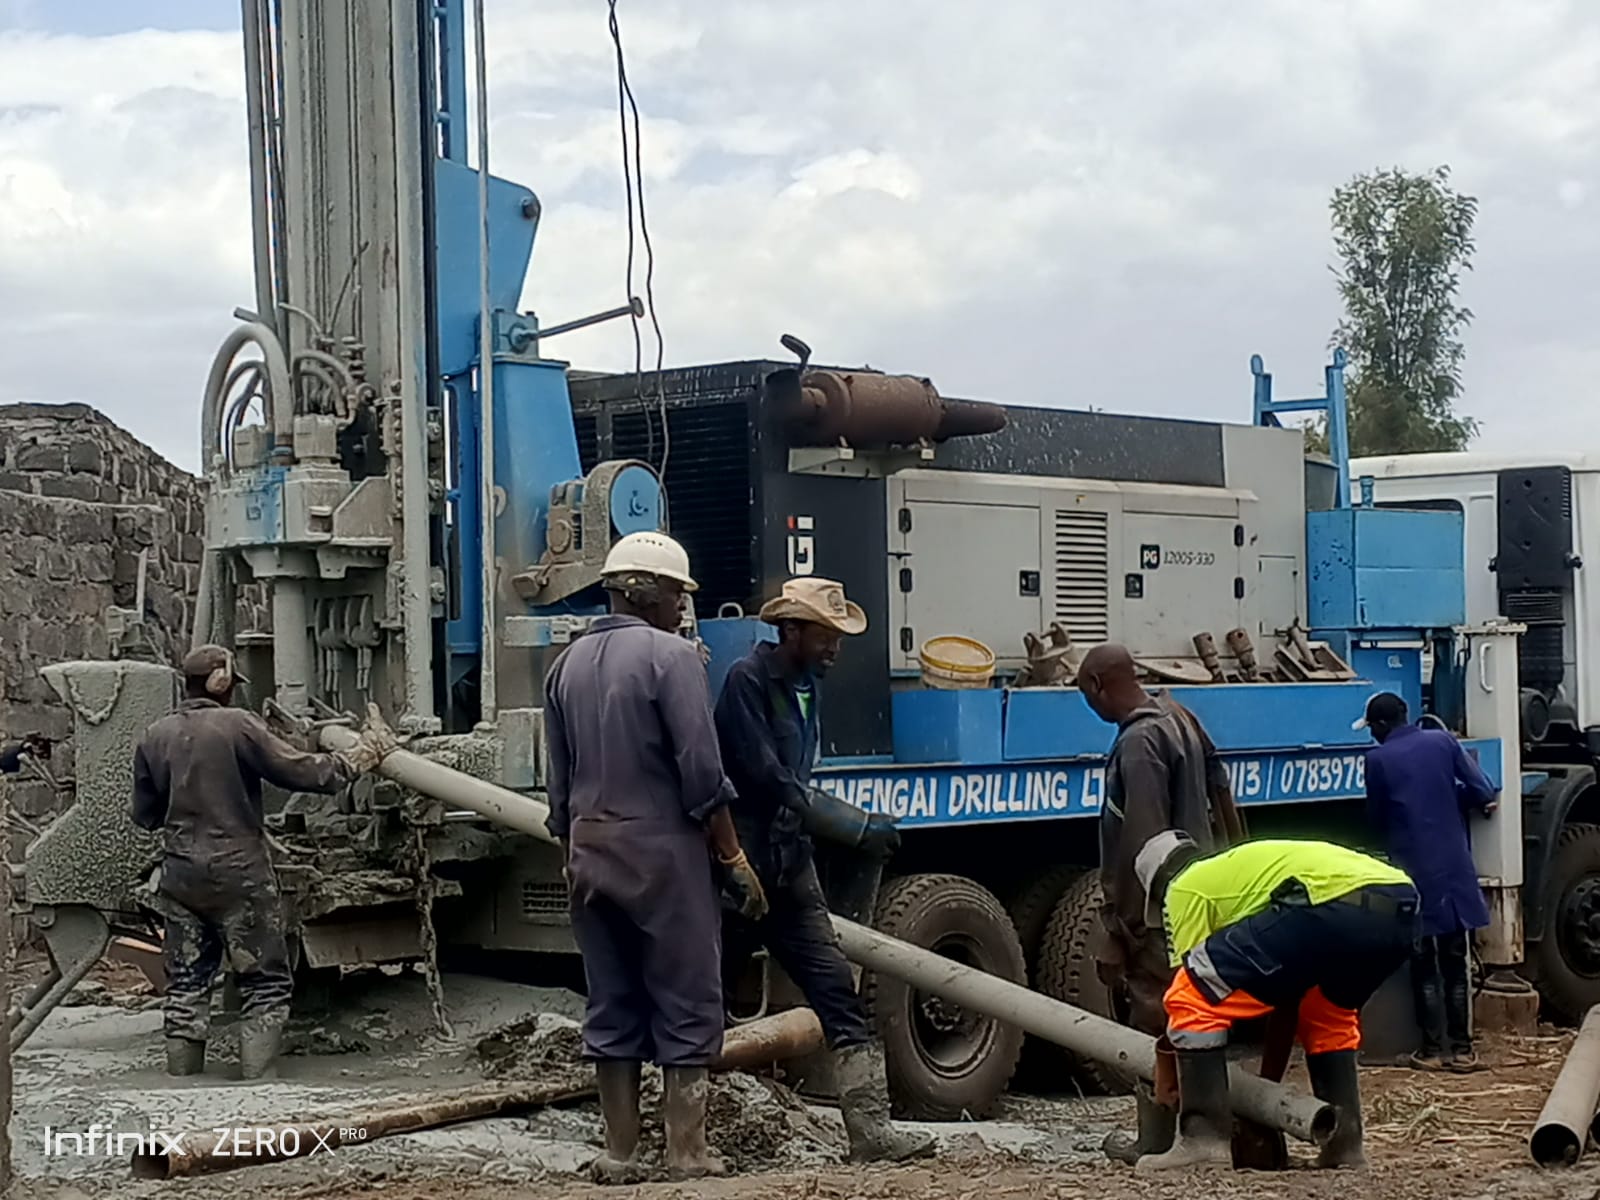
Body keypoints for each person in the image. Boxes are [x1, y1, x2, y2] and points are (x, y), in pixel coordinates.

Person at [543, 531, 768, 1184]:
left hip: (590, 855)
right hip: (663, 856)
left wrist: (571, 856)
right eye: (680, 595)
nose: (682, 608)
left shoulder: (566, 666)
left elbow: (558, 789)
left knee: (611, 1001)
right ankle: (686, 1152)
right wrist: (732, 859)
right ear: (653, 592)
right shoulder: (672, 659)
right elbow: (701, 771)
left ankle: (619, 1152)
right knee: (686, 996)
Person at [714, 577, 935, 1165]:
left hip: (790, 867)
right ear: (790, 631)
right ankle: (685, 1125)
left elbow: (796, 783)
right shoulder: (747, 682)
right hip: (739, 870)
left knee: (838, 991)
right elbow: (768, 778)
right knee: (703, 995)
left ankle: (871, 1132)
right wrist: (854, 825)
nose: (836, 647)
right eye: (826, 635)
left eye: (839, 636)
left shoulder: (808, 688)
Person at [132, 645, 396, 1079]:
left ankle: (181, 1083)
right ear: (222, 684)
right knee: (264, 981)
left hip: (180, 875)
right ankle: (258, 1085)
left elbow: (144, 816)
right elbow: (303, 773)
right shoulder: (238, 725)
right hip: (240, 875)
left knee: (186, 983)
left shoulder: (154, 734)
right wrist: (359, 758)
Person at [1132, 831, 1420, 1172]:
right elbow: (1287, 999)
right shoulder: (1239, 875)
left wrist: (1167, 1076)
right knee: (1326, 1014)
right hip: (1400, 906)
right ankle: (1344, 1147)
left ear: (1160, 883)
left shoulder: (1184, 887)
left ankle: (1202, 1141)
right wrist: (1267, 1093)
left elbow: (1190, 991)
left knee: (1191, 995)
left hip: (1327, 905)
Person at [1076, 642, 1240, 1163]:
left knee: (1160, 1015)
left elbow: (1142, 846)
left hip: (1159, 909)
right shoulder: (1180, 717)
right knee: (1194, 1009)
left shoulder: (1140, 742)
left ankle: (1166, 1139)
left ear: (1099, 686)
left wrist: (1117, 929)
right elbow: (1223, 794)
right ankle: (1191, 1130)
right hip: (1201, 891)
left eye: (1086, 695)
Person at [1357, 691, 1498, 1071]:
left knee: (1424, 963)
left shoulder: (1378, 760)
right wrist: (1459, 797)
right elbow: (1483, 789)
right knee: (1455, 959)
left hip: (1415, 874)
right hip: (1453, 871)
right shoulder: (1443, 741)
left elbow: (1377, 820)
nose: (1372, 735)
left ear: (1383, 726)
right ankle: (1464, 1050)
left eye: (1372, 727)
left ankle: (1433, 1051)